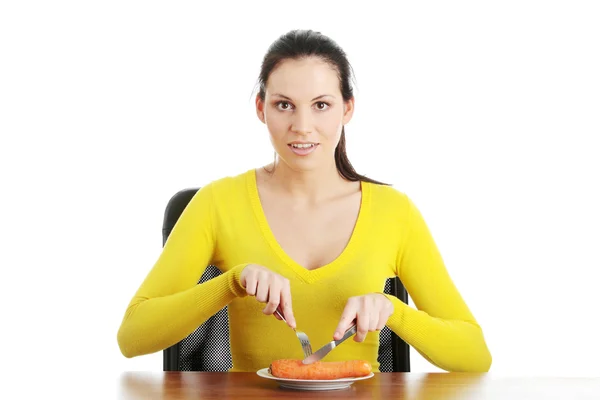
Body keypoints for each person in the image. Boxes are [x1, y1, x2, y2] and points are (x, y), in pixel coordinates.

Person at [117, 29, 492, 373]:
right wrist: (231, 283)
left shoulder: (395, 213)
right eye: (284, 105)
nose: (302, 126)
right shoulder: (216, 203)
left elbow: (474, 355)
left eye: (321, 105)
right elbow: (132, 336)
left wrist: (395, 311)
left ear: (347, 109)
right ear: (261, 109)